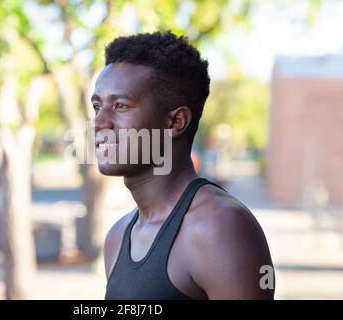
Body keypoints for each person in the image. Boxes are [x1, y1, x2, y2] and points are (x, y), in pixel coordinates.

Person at [91, 31, 274, 300]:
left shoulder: (220, 228)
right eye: (97, 106)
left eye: (120, 106)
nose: (98, 123)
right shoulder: (117, 237)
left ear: (175, 122)